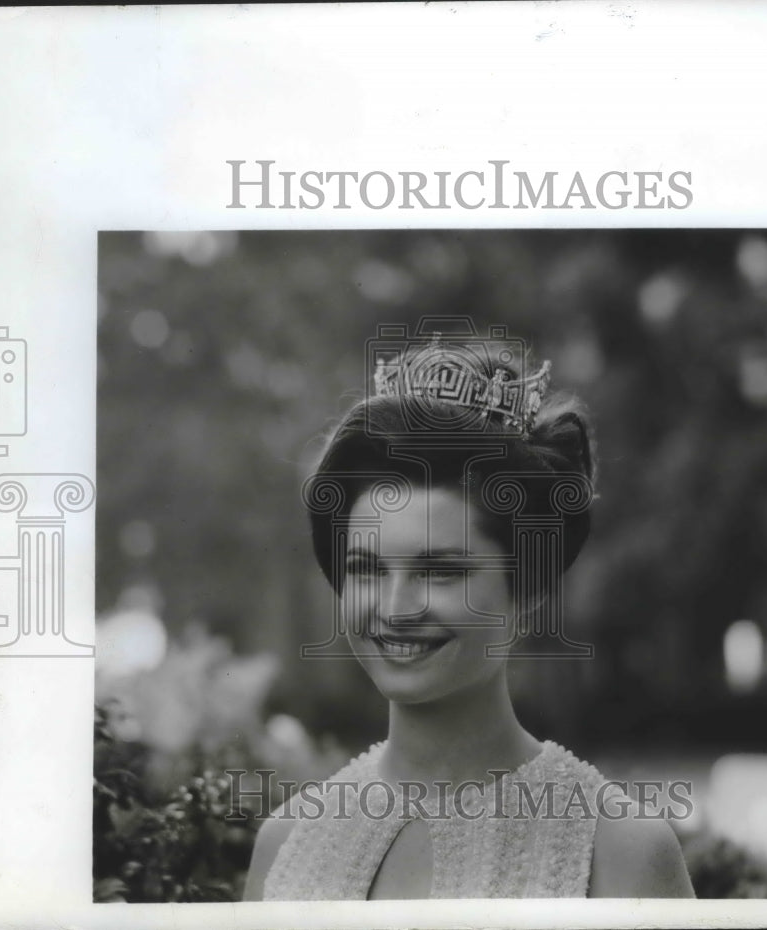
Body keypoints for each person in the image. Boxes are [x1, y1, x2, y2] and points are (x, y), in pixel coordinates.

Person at [243, 330, 694, 900]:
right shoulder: (284, 844)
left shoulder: (621, 853)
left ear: (527, 588)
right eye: (366, 569)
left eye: (440, 572)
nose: (395, 609)